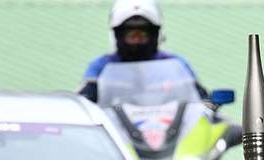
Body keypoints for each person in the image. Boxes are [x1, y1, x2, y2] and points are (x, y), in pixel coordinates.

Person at [77, 0, 206, 103]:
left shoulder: (175, 64)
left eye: (143, 34)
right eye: (131, 35)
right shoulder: (102, 66)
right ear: (118, 35)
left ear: (155, 34)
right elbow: (83, 101)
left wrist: (208, 106)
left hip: (170, 130)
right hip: (116, 132)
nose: (137, 40)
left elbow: (200, 99)